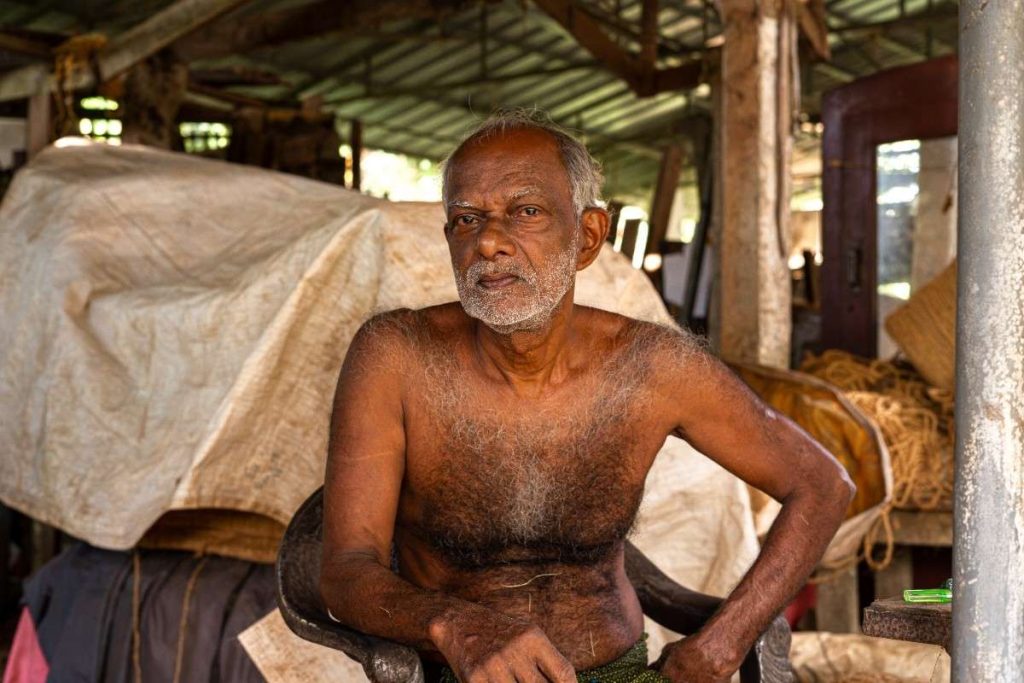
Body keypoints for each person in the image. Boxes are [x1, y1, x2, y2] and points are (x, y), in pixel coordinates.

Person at [319, 110, 855, 683]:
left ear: (588, 237)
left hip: (619, 672)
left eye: (525, 212)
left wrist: (720, 646)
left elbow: (822, 486)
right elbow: (346, 571)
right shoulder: (395, 356)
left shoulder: (653, 366)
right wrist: (456, 625)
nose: (490, 242)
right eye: (466, 219)